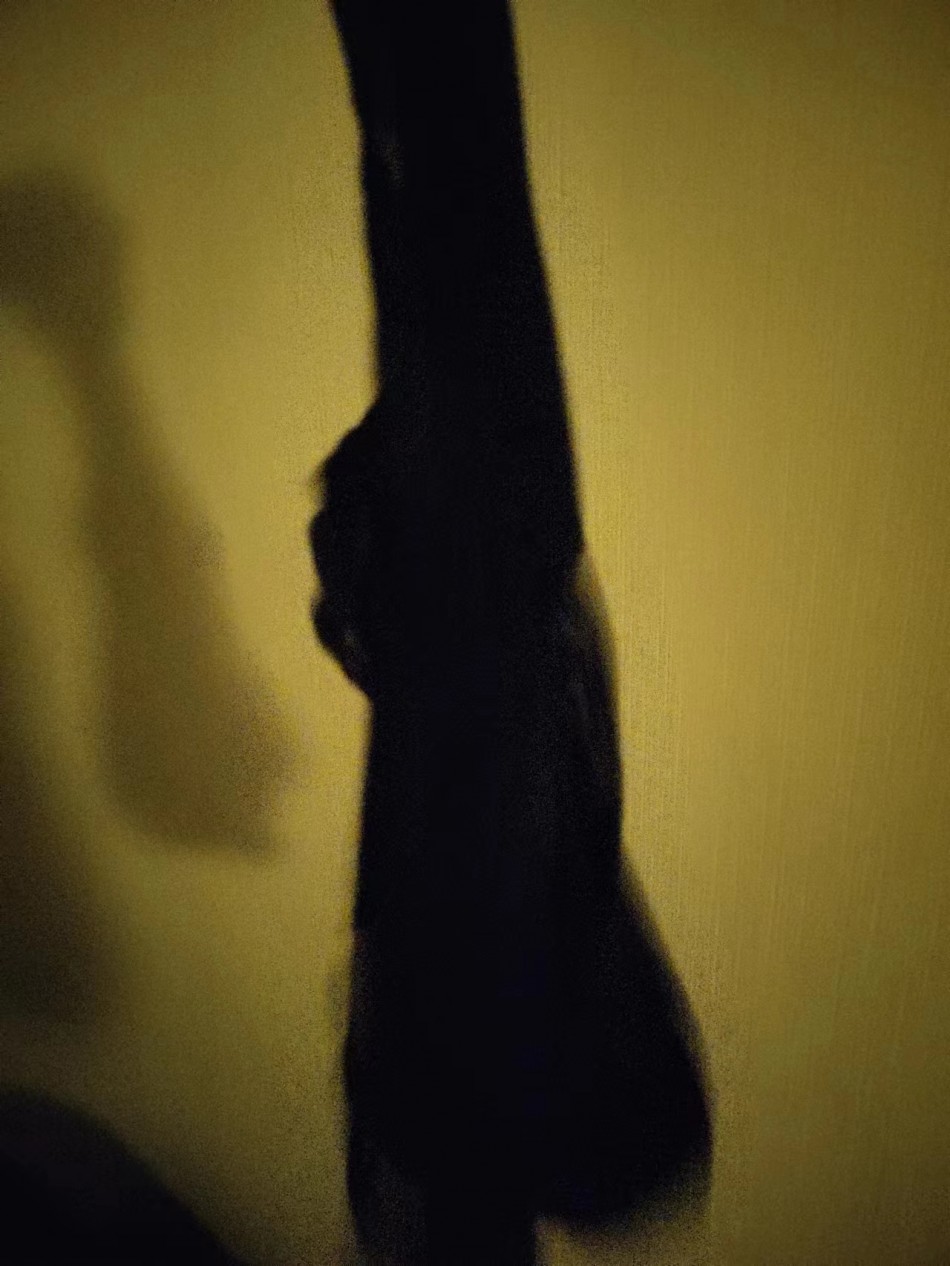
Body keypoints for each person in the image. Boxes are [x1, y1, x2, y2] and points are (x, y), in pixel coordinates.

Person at [309, 4, 713, 1262]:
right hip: (479, 607)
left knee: (443, 184)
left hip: (480, 606)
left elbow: (448, 204)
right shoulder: (493, 887)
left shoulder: (489, 874)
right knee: (442, 184)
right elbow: (446, 204)